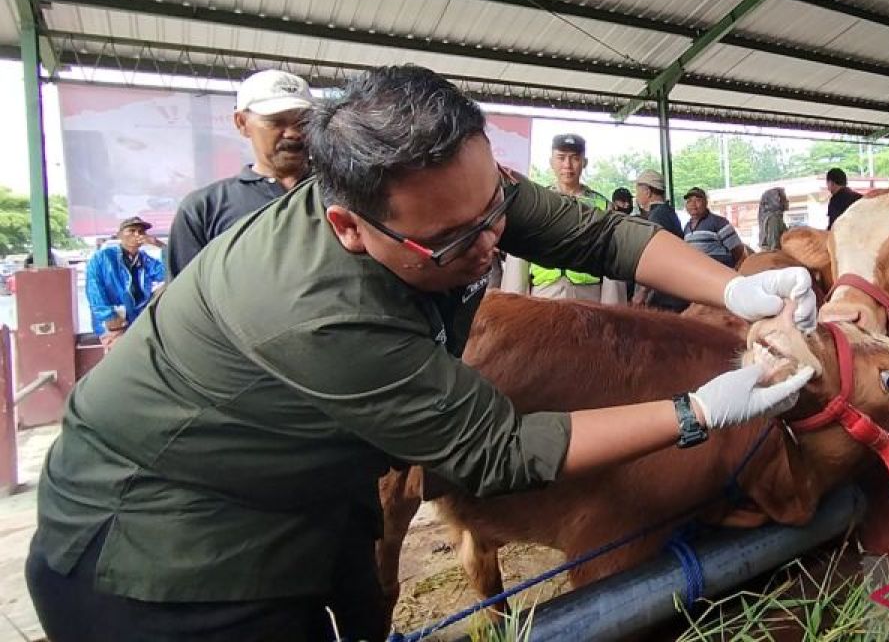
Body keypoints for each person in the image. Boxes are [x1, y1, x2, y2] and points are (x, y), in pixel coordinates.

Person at [26, 66, 817, 642]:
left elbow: (597, 233)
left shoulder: (442, 187)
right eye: (448, 242)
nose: (487, 248)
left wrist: (738, 289)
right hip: (159, 551)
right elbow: (501, 448)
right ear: (348, 226)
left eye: (493, 213)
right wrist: (699, 411)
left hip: (306, 493)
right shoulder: (323, 318)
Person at [166, 69, 316, 277]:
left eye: (304, 122)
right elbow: (182, 303)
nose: (293, 133)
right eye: (276, 121)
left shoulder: (345, 193)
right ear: (242, 123)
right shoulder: (204, 209)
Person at [522, 134, 614, 302]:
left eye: (574, 158)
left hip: (589, 295)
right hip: (544, 293)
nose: (567, 165)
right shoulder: (536, 202)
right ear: (551, 162)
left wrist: (613, 310)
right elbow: (520, 255)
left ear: (584, 163)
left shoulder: (601, 206)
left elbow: (613, 259)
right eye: (561, 158)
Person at [83, 216, 165, 351]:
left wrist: (159, 245)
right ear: (120, 235)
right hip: (116, 319)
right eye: (131, 231)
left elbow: (170, 272)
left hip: (138, 318)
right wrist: (108, 316)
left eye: (141, 232)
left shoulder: (145, 260)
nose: (137, 235)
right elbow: (94, 288)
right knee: (121, 361)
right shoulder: (103, 257)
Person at [631, 169, 689, 312]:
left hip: (666, 296)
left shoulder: (657, 216)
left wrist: (642, 292)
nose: (636, 196)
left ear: (647, 191)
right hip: (676, 289)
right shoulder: (668, 212)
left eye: (638, 191)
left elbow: (658, 258)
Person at [683, 186, 746, 268]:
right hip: (699, 275)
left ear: (706, 202)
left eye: (698, 200)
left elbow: (738, 250)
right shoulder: (687, 227)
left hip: (721, 274)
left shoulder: (719, 222)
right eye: (689, 201)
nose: (693, 204)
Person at [758, 186, 789, 251]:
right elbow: (774, 243)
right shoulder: (774, 218)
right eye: (783, 198)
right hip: (772, 253)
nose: (787, 201)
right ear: (775, 200)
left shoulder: (771, 216)